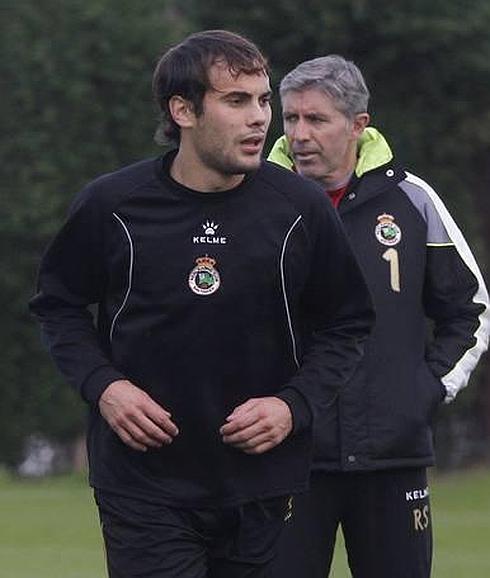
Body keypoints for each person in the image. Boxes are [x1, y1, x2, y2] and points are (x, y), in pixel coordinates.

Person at [29, 34, 375, 578]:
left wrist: (293, 406)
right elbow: (58, 307)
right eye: (237, 101)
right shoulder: (111, 205)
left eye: (264, 100)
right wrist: (105, 386)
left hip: (265, 482)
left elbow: (347, 324)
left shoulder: (300, 208)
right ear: (183, 110)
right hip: (142, 483)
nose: (261, 119)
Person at [269, 55, 490, 578]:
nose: (300, 134)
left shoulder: (413, 200)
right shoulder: (254, 201)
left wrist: (425, 390)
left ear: (358, 125)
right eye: (291, 118)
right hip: (284, 456)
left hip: (392, 457)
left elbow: (473, 309)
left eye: (316, 119)